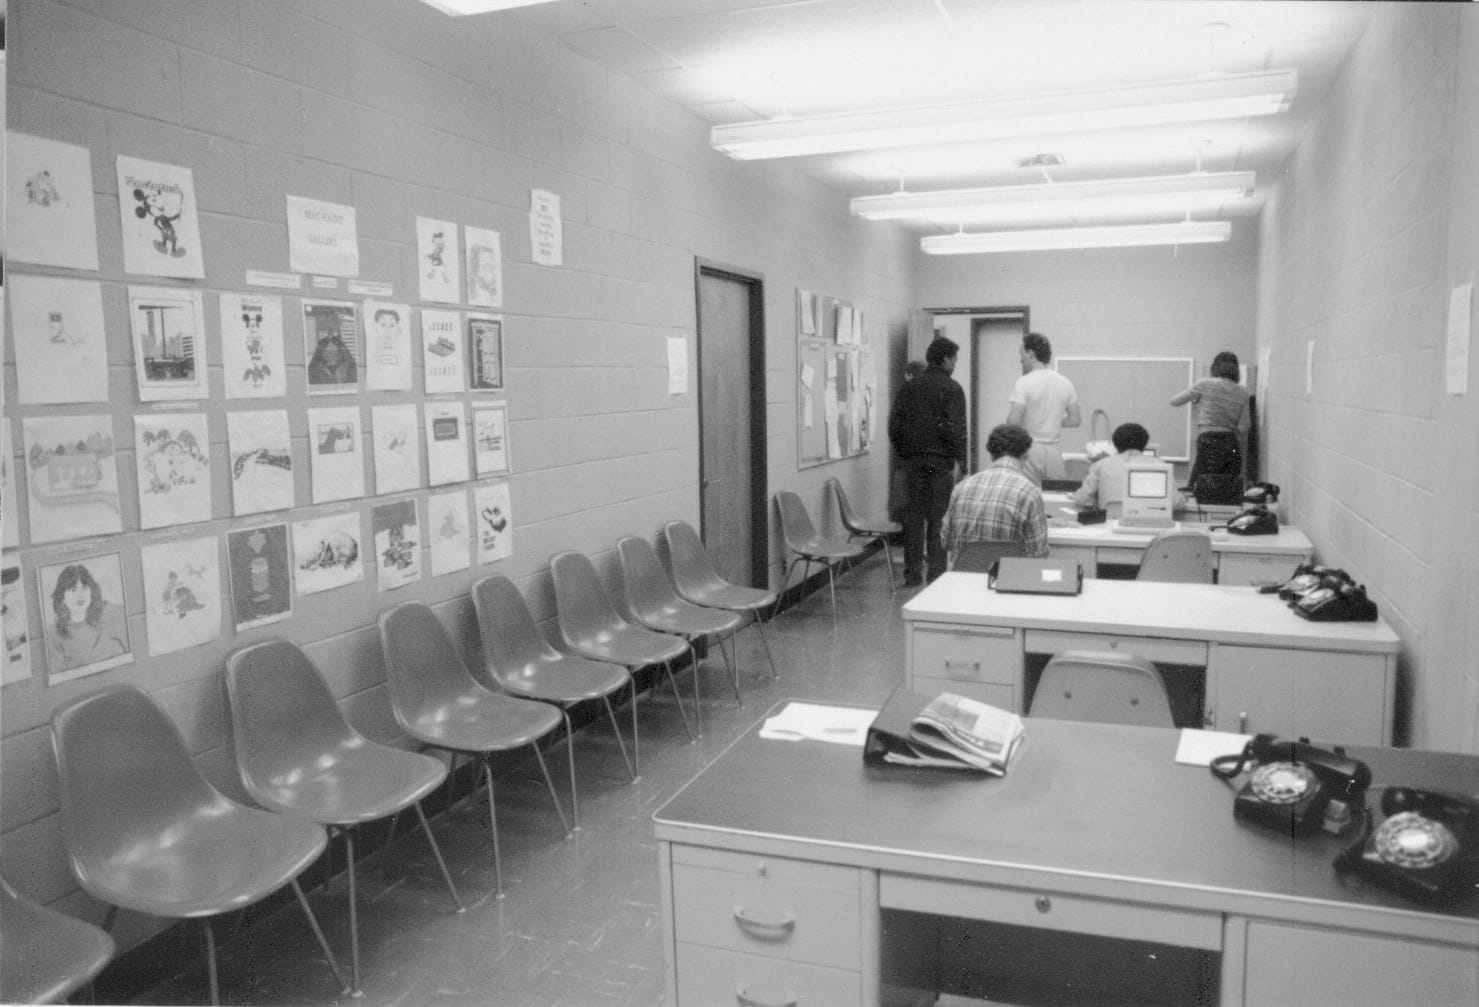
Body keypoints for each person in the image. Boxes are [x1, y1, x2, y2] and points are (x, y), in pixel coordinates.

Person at [888, 338, 967, 586]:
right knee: (938, 520)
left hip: (913, 463)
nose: (955, 364)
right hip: (940, 465)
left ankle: (912, 575)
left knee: (913, 520)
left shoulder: (909, 387)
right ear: (945, 359)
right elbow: (956, 430)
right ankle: (936, 576)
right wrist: (962, 462)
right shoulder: (953, 389)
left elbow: (894, 427)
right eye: (954, 359)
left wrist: (905, 454)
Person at [944, 424, 1049, 560]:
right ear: (1025, 455)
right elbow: (1038, 553)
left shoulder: (961, 487)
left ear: (991, 454)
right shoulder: (1029, 492)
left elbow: (946, 541)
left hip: (963, 571)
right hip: (1006, 572)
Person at [1006, 332, 1080, 483]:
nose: (1020, 359)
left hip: (1030, 449)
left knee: (1027, 491)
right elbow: (1075, 420)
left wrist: (1033, 419)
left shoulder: (1023, 383)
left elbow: (1013, 421)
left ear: (1031, 353)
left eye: (1022, 354)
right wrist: (1053, 420)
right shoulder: (1065, 382)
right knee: (1055, 493)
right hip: (1055, 451)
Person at [1171, 351, 1250, 490]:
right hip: (1230, 441)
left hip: (1208, 439)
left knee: (1198, 487)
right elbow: (1244, 427)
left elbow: (1175, 401)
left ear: (1214, 367)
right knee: (1226, 490)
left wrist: (1197, 399)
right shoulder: (1243, 392)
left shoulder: (1205, 384)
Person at [48, 564, 129, 672]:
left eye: (84, 588)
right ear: (62, 597)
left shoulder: (113, 613)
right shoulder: (54, 633)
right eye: (73, 590)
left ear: (92, 591)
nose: (80, 595)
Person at [1071, 421, 1150, 516]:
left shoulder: (1101, 465)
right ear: (1145, 444)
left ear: (1115, 444)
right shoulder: (1161, 466)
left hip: (1109, 519)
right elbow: (1168, 503)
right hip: (1149, 519)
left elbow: (1081, 499)